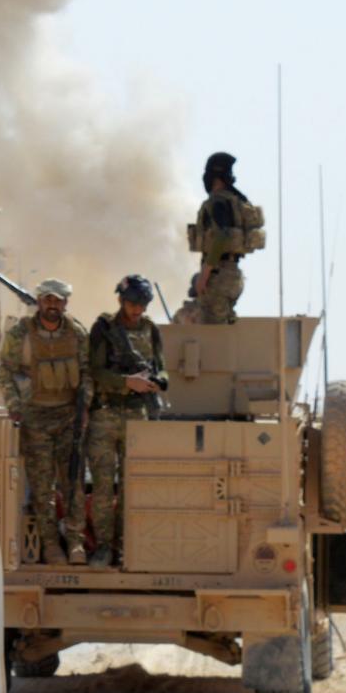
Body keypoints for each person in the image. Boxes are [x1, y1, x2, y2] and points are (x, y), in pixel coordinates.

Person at [0, 277, 89, 564]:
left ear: (65, 303)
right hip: (35, 419)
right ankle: (50, 545)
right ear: (39, 301)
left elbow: (87, 374)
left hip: (68, 419)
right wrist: (14, 406)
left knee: (72, 484)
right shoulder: (19, 333)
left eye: (57, 300)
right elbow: (5, 372)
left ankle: (76, 543)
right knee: (42, 486)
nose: (52, 305)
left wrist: (85, 408)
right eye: (47, 299)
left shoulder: (77, 333)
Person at [83, 274, 168, 566]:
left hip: (138, 416)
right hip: (106, 415)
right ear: (121, 300)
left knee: (134, 486)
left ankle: (127, 545)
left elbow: (163, 367)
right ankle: (104, 547)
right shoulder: (104, 329)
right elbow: (95, 371)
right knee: (104, 487)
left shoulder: (151, 330)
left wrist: (158, 381)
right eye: (133, 304)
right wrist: (125, 383)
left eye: (143, 305)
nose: (138, 310)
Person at [186, 151, 266, 323]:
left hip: (218, 277)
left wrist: (204, 276)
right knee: (223, 324)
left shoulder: (218, 203)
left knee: (211, 335)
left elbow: (221, 237)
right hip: (234, 276)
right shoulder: (236, 201)